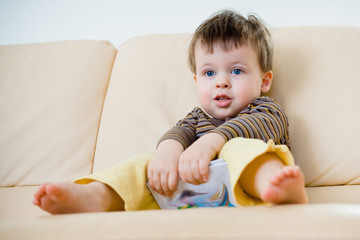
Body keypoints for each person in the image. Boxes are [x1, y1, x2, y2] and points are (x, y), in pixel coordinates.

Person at [33, 10, 308, 214]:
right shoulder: (197, 117)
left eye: (236, 71)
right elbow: (177, 133)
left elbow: (259, 125)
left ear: (264, 81)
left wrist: (211, 143)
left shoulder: (265, 108)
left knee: (240, 148)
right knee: (144, 163)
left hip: (246, 191)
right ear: (197, 81)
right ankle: (95, 196)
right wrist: (167, 155)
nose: (221, 81)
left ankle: (275, 187)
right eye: (209, 72)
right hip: (186, 197)